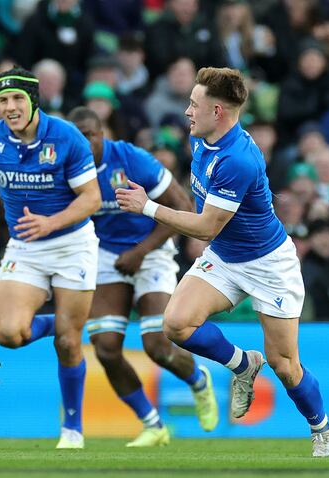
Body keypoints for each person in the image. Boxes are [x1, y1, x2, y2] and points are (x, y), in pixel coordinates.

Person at [116, 67, 329, 457]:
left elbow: (204, 227)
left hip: (269, 264)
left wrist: (148, 207)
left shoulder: (238, 158)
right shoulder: (203, 138)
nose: (187, 111)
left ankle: (322, 430)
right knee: (176, 324)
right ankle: (241, 365)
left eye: (193, 104)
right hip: (226, 255)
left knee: (285, 365)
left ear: (217, 111)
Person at [0, 67, 101, 449]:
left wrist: (51, 223)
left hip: (71, 244)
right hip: (26, 246)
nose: (10, 107)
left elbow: (91, 198)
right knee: (8, 334)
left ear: (34, 100)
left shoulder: (66, 137)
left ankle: (72, 429)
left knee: (70, 345)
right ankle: (62, 321)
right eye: (3, 100)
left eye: (17, 99)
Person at [68, 107, 218, 447]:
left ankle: (198, 381)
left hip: (151, 250)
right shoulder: (67, 168)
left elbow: (184, 207)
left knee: (158, 345)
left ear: (103, 132)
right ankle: (153, 425)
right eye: (77, 136)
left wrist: (140, 252)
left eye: (90, 133)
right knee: (105, 348)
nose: (84, 141)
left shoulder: (133, 159)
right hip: (105, 254)